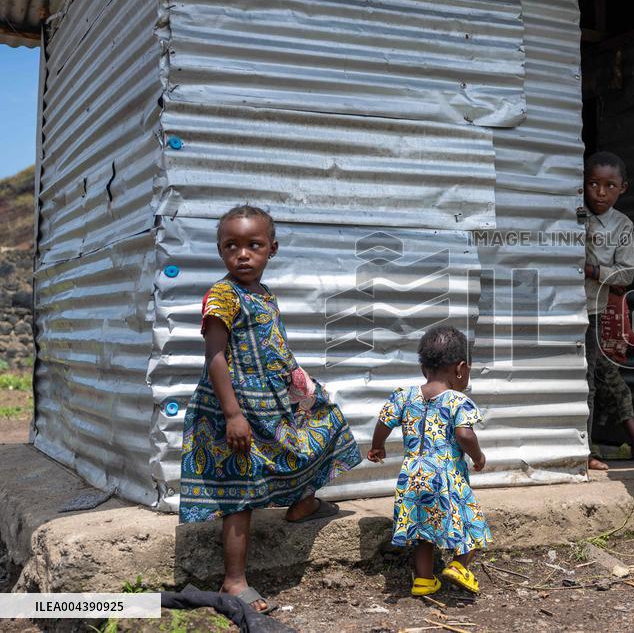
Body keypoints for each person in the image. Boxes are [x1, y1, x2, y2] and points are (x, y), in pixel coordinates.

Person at [180, 205, 362, 613]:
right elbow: (215, 356)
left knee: (325, 423)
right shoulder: (223, 295)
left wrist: (301, 385)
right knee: (240, 494)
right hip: (234, 409)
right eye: (232, 246)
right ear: (219, 250)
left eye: (253, 245)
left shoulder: (263, 294)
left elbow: (271, 346)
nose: (242, 254)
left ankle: (303, 504)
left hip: (271, 403)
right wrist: (232, 415)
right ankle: (234, 582)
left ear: (272, 249)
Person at [367, 325, 492, 596]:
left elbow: (383, 420)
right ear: (460, 369)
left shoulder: (403, 395)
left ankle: (423, 580)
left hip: (413, 474)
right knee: (472, 522)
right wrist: (478, 456)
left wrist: (377, 447)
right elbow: (464, 434)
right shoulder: (459, 401)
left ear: (425, 369)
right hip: (447, 475)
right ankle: (459, 566)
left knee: (424, 530)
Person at [584, 151, 634, 470]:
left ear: (623, 188)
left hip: (596, 311)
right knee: (587, 379)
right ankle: (594, 447)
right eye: (593, 184)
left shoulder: (622, 225)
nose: (600, 192)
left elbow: (626, 274)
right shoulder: (571, 215)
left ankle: (590, 449)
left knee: (594, 378)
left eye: (609, 185)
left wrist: (593, 271)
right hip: (561, 308)